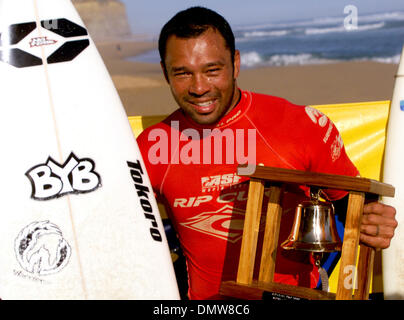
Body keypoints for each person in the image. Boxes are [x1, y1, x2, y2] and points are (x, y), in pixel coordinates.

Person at [137, 6, 397, 300]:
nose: (199, 88)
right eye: (183, 73)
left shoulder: (299, 126)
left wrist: (373, 221)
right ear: (164, 72)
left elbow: (353, 208)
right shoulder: (150, 148)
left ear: (235, 64)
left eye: (212, 70)